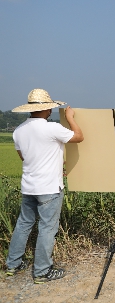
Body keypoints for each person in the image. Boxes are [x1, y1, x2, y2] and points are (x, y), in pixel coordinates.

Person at [6, 89, 84, 283]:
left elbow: (24, 157)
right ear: (47, 108)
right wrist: (70, 117)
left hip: (29, 187)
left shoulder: (18, 131)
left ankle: (12, 264)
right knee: (47, 228)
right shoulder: (51, 128)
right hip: (49, 187)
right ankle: (42, 271)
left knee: (23, 225)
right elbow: (79, 136)